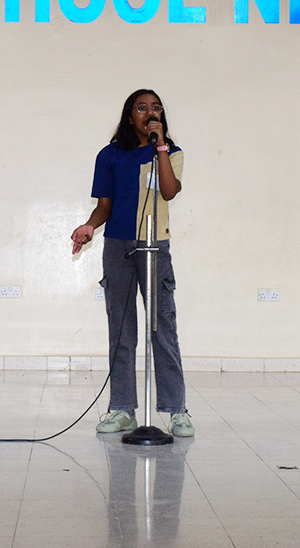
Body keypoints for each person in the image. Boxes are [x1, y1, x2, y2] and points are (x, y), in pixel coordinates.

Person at [71, 89, 194, 438]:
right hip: (118, 247)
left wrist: (160, 146)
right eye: (142, 108)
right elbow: (104, 206)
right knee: (122, 331)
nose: (149, 113)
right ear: (130, 116)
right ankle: (123, 409)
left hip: (155, 246)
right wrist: (89, 226)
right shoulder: (109, 155)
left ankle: (177, 410)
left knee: (163, 329)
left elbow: (169, 191)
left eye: (156, 108)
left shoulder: (170, 152)